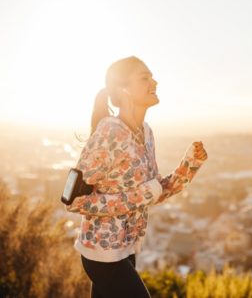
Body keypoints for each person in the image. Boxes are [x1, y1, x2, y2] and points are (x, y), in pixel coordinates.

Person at [65, 55, 208, 298]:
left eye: (152, 76)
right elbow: (73, 201)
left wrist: (189, 165)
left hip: (127, 249)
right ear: (124, 89)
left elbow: (154, 193)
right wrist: (140, 195)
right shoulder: (109, 132)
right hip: (102, 254)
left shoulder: (146, 133)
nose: (154, 82)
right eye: (145, 78)